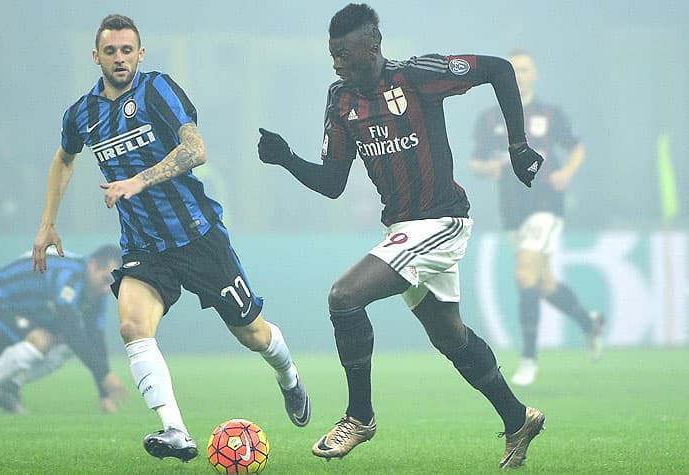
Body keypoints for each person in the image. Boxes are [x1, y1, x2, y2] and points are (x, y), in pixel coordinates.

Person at [257, 4, 546, 469]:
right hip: (403, 228)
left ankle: (360, 416)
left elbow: (498, 69)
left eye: (344, 53)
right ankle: (518, 418)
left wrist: (516, 145)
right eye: (332, 55)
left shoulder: (417, 76)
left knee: (344, 296)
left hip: (439, 222)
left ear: (372, 46)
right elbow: (333, 183)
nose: (337, 63)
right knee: (450, 337)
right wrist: (287, 158)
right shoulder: (340, 99)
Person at [32, 14, 310, 463]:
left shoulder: (157, 89)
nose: (120, 59)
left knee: (254, 335)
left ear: (140, 54)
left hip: (198, 237)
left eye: (127, 50)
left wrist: (138, 181)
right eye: (110, 51)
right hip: (144, 247)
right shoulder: (82, 114)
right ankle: (176, 431)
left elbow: (196, 149)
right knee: (131, 327)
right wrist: (47, 222)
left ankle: (289, 377)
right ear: (96, 57)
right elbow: (64, 158)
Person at [470, 50, 605, 386]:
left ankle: (529, 357)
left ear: (535, 74)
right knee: (542, 283)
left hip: (546, 204)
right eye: (514, 69)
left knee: (523, 272)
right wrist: (487, 168)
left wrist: (567, 173)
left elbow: (577, 147)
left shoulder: (550, 114)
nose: (521, 74)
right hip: (512, 210)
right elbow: (475, 161)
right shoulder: (490, 118)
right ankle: (589, 323)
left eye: (526, 69)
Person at [0, 244, 126, 414]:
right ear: (92, 265)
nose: (107, 290)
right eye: (105, 280)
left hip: (17, 312)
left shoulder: (98, 292)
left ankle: (6, 388)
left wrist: (104, 394)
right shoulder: (68, 273)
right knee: (42, 340)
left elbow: (94, 338)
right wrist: (105, 375)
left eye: (112, 285)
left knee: (64, 345)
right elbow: (71, 329)